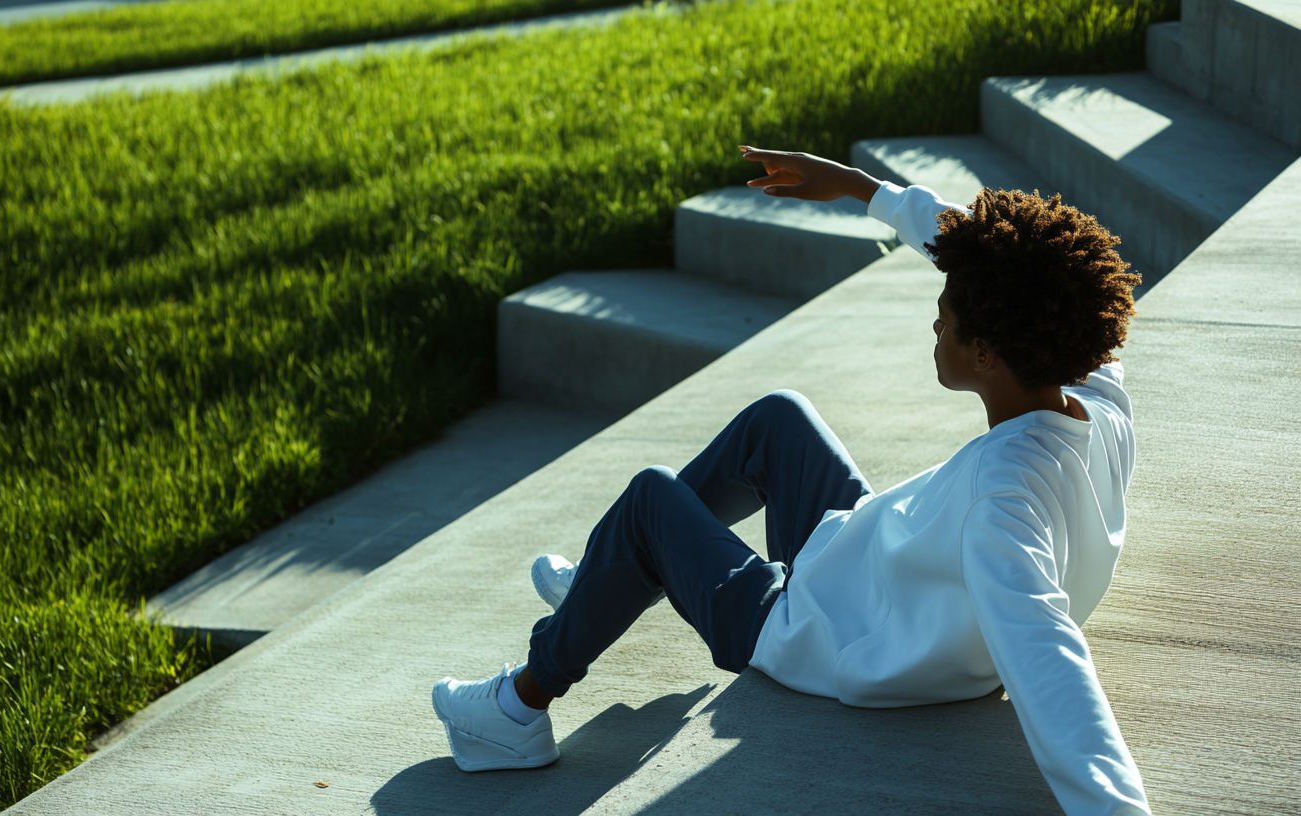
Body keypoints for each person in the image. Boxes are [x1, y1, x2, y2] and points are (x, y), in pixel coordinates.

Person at [432, 146, 1150, 815]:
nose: (935, 328)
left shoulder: (1005, 508)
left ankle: (516, 712)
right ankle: (604, 585)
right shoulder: (1095, 388)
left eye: (944, 321)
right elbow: (993, 262)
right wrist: (863, 189)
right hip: (869, 572)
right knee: (779, 418)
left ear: (986, 352)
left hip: (812, 631)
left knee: (650, 497)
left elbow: (1053, 667)